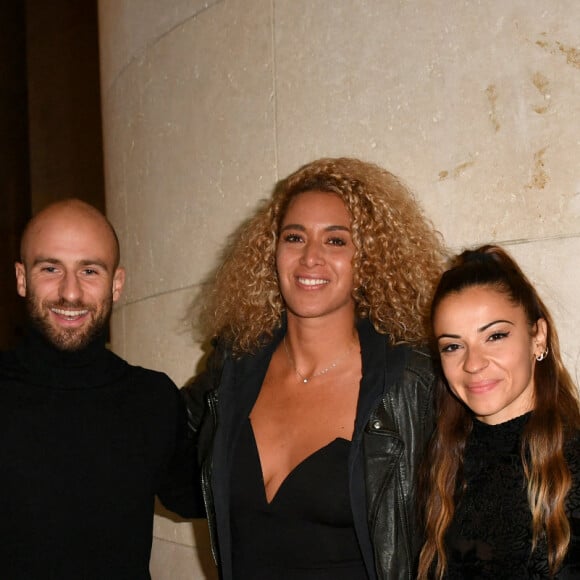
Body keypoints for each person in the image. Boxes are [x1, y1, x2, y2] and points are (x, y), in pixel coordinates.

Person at [183, 157, 446, 579]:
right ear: (273, 252)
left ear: (368, 259)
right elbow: (171, 473)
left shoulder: (410, 382)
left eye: (336, 241)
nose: (310, 258)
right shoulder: (233, 369)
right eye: (294, 237)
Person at [0, 199, 196, 579]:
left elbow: (203, 496)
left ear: (116, 284)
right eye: (50, 268)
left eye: (89, 270)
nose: (70, 293)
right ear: (22, 279)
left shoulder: (152, 398)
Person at [418, 245, 580, 579]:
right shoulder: (440, 468)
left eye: (495, 336)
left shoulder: (573, 460)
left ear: (538, 338)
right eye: (452, 346)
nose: (473, 364)